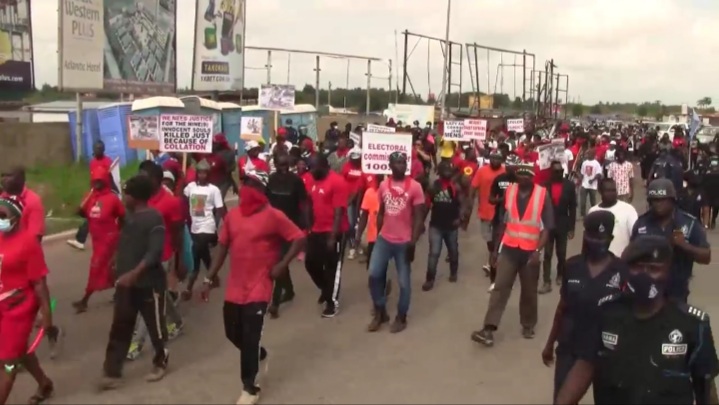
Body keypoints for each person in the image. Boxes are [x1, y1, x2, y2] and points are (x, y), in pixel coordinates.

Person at [555, 235, 719, 405]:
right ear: (625, 270)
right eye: (637, 268)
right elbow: (585, 364)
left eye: (654, 269)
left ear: (668, 272)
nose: (645, 275)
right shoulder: (605, 313)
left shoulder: (692, 324)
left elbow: (706, 389)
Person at [200, 169, 306, 405]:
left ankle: (250, 387)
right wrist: (208, 278)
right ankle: (259, 354)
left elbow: (299, 238)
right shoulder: (233, 217)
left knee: (250, 335)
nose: (246, 187)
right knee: (232, 332)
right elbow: (221, 248)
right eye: (245, 182)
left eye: (252, 183)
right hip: (235, 286)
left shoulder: (273, 216)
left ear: (262, 190)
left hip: (260, 286)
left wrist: (282, 264)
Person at [541, 211, 628, 402]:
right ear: (585, 235)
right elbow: (561, 308)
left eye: (603, 237)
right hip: (570, 347)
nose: (598, 241)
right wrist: (549, 344)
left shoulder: (622, 271)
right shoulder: (572, 266)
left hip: (605, 352)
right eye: (593, 236)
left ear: (611, 238)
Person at [471, 162, 554, 345]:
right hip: (509, 249)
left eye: (527, 176)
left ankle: (528, 324)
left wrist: (538, 250)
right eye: (520, 175)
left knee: (529, 291)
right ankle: (488, 329)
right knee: (500, 288)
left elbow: (547, 227)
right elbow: (503, 222)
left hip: (530, 252)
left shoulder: (542, 195)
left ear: (532, 177)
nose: (523, 178)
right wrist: (495, 250)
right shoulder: (509, 191)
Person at [100, 175, 170, 391]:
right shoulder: (129, 217)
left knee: (155, 327)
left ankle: (161, 360)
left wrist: (135, 273)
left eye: (126, 192)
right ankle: (112, 372)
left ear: (135, 196)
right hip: (125, 285)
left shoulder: (154, 217)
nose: (123, 196)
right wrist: (115, 262)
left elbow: (154, 251)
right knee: (120, 326)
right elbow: (125, 243)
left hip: (150, 283)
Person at [127, 161, 185, 360]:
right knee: (162, 298)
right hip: (140, 256)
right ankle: (176, 322)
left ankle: (136, 342)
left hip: (162, 257)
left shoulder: (170, 202)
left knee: (148, 301)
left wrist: (179, 259)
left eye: (144, 176)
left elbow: (178, 232)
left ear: (156, 180)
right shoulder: (138, 200)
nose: (140, 179)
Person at [0, 196, 54, 405]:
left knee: (8, 362)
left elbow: (40, 283)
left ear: (16, 217)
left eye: (2, 215)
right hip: (3, 304)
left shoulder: (28, 243)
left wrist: (46, 314)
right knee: (18, 349)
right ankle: (44, 383)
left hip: (20, 307)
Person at [367, 152, 425, 333]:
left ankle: (401, 317)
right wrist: (377, 234)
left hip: (404, 242)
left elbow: (419, 218)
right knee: (373, 275)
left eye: (403, 162)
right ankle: (380, 311)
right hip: (384, 239)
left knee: (404, 283)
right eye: (397, 163)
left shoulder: (415, 187)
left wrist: (413, 242)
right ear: (390, 165)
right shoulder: (384, 185)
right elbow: (382, 212)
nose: (400, 165)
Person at [630, 178, 711, 302]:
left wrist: (684, 245)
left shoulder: (689, 223)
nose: (658, 204)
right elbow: (632, 257)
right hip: (647, 292)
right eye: (654, 200)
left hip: (677, 293)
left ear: (673, 200)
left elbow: (706, 257)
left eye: (662, 200)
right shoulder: (641, 223)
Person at [72, 167, 125, 313]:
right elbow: (85, 215)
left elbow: (123, 217)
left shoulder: (113, 199)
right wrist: (81, 208)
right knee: (110, 269)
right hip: (96, 240)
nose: (96, 184)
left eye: (99, 181)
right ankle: (121, 292)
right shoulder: (91, 197)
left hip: (108, 240)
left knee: (95, 269)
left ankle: (84, 300)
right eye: (94, 181)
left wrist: (118, 234)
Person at [266, 153, 310, 318]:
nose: (283, 168)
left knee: (280, 262)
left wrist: (306, 225)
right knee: (278, 260)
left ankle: (275, 303)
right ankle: (289, 290)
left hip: (290, 227)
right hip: (273, 227)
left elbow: (304, 203)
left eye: (286, 165)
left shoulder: (296, 180)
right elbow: (266, 202)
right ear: (275, 164)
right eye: (280, 165)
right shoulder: (271, 180)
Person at [305, 154, 349, 318]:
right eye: (310, 167)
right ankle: (326, 288)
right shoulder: (310, 179)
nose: (311, 171)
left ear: (324, 166)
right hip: (316, 230)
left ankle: (332, 303)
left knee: (332, 268)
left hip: (334, 231)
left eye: (314, 167)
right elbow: (309, 201)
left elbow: (339, 212)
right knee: (311, 263)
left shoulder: (337, 182)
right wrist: (308, 227)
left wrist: (333, 236)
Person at [181, 160, 226, 300]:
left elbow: (220, 210)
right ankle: (214, 277)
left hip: (208, 227)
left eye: (205, 173)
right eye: (199, 172)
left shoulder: (214, 190)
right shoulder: (190, 187)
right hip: (194, 227)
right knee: (203, 254)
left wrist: (229, 225)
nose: (202, 175)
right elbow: (182, 200)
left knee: (196, 255)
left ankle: (189, 287)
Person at [422, 161, 468, 291]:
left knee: (453, 251)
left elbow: (463, 204)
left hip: (451, 226)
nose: (448, 172)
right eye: (445, 170)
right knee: (434, 253)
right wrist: (421, 223)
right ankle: (429, 279)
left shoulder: (455, 187)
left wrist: (461, 218)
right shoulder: (433, 187)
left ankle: (453, 273)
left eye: (449, 170)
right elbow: (426, 205)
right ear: (439, 172)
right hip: (436, 225)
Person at [67, 140, 115, 250]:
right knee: (90, 214)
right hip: (94, 192)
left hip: (105, 193)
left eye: (99, 149)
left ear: (103, 150)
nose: (97, 151)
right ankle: (83, 239)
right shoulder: (92, 162)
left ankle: (81, 239)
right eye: (95, 149)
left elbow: (111, 179)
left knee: (94, 215)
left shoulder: (108, 162)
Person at [539, 160, 576, 294]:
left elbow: (572, 208)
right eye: (556, 171)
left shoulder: (569, 186)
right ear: (551, 172)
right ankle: (546, 281)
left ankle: (560, 274)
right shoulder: (544, 186)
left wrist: (572, 228)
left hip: (562, 223)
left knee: (561, 253)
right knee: (547, 254)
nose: (560, 173)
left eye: (561, 171)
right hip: (548, 225)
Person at [486, 154, 519, 291]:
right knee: (496, 249)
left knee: (513, 250)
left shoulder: (520, 181)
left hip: (517, 220)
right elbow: (491, 199)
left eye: (513, 166)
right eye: (508, 166)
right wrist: (503, 200)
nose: (510, 169)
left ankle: (510, 277)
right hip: (500, 219)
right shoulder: (499, 179)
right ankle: (493, 280)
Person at [470, 151, 506, 275]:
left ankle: (492, 263)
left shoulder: (505, 173)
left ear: (502, 160)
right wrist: (468, 205)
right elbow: (473, 187)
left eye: (498, 158)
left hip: (500, 213)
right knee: (488, 239)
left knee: (497, 239)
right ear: (489, 159)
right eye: (493, 158)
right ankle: (492, 259)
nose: (495, 160)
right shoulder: (481, 171)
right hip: (484, 211)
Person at [588, 178, 638, 257]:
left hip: (622, 260)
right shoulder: (593, 211)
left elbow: (636, 236)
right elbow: (588, 238)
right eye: (608, 191)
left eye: (613, 190)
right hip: (600, 260)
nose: (611, 193)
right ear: (600, 191)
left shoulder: (628, 209)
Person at [342, 148, 365, 260]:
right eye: (353, 159)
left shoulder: (363, 167)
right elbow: (342, 180)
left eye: (357, 159)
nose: (355, 161)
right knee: (350, 222)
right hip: (348, 198)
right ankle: (352, 243)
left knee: (359, 222)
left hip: (361, 198)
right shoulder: (347, 166)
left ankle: (358, 243)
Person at [578, 149, 602, 217]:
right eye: (587, 154)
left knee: (593, 201)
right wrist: (579, 181)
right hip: (584, 185)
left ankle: (593, 214)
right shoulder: (584, 163)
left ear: (593, 155)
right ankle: (583, 215)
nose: (587, 155)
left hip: (593, 186)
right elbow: (582, 173)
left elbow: (599, 174)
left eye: (589, 154)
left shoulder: (596, 163)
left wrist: (593, 180)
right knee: (582, 201)